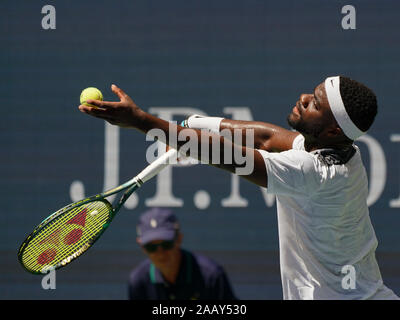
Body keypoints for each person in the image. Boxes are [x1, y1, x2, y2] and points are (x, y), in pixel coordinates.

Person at [79, 76, 399, 300]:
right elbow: (266, 139)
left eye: (314, 104)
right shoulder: (341, 150)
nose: (303, 99)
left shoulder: (314, 173)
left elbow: (232, 157)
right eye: (311, 94)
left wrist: (141, 121)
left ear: (331, 130)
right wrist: (194, 123)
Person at [127, 207, 237, 300]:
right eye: (151, 247)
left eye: (166, 244)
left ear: (179, 239)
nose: (160, 254)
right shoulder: (138, 280)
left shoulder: (211, 275)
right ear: (141, 246)